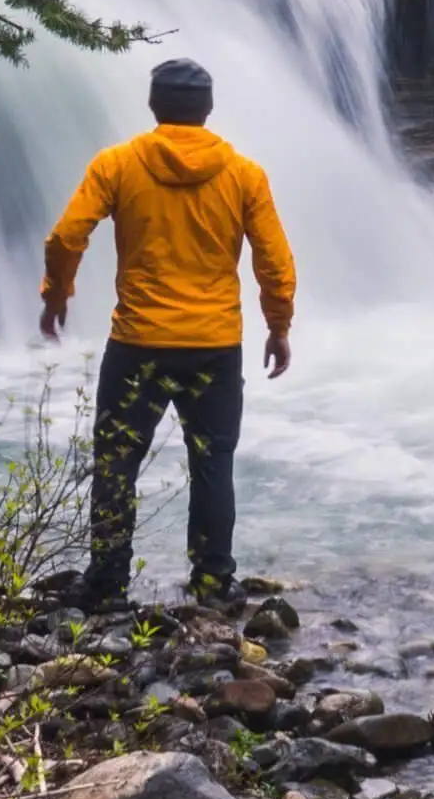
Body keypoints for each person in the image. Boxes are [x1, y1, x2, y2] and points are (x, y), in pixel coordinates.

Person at [40, 58, 295, 605]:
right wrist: (278, 326)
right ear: (207, 110)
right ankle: (211, 581)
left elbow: (66, 236)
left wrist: (57, 294)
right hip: (214, 347)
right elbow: (273, 259)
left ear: (154, 106)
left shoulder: (118, 164)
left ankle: (107, 582)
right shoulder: (243, 174)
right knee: (212, 461)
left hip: (139, 343)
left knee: (117, 461)